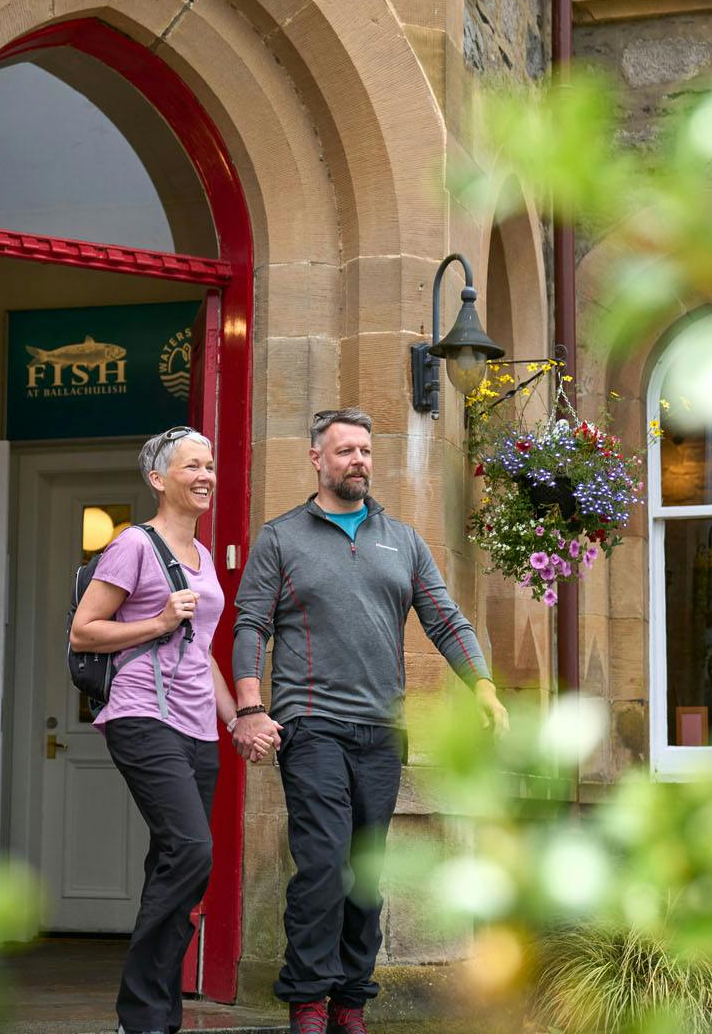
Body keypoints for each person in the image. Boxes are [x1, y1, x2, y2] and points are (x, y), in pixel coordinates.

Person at [229, 407, 509, 1034]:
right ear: (316, 459)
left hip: (381, 732)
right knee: (326, 863)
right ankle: (307, 1001)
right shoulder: (281, 538)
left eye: (365, 450)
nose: (358, 460)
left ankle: (351, 1000)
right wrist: (250, 707)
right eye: (345, 450)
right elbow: (252, 625)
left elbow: (445, 618)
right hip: (312, 722)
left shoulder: (402, 540)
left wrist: (484, 688)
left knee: (367, 873)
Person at [70, 426, 282, 1034]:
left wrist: (240, 718)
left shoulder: (205, 558)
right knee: (191, 847)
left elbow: (202, 652)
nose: (206, 476)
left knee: (179, 862)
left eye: (210, 465)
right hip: (141, 715)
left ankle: (155, 1018)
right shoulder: (133, 545)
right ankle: (140, 1013)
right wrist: (158, 619)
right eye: (192, 466)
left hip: (196, 725)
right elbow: (85, 631)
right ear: (159, 479)